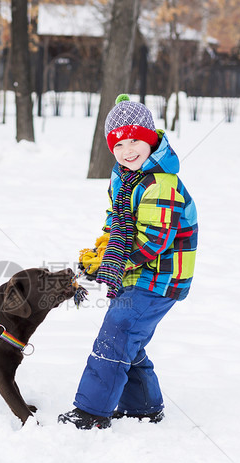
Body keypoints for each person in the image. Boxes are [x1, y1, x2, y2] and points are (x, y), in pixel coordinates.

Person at [58, 94, 198, 430]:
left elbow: (153, 241)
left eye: (135, 140)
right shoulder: (123, 178)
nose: (128, 149)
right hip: (139, 276)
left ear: (150, 140)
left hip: (162, 277)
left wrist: (114, 262)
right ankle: (143, 406)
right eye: (119, 144)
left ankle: (92, 412)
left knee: (116, 333)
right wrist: (102, 249)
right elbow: (115, 220)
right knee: (127, 338)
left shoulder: (161, 184)